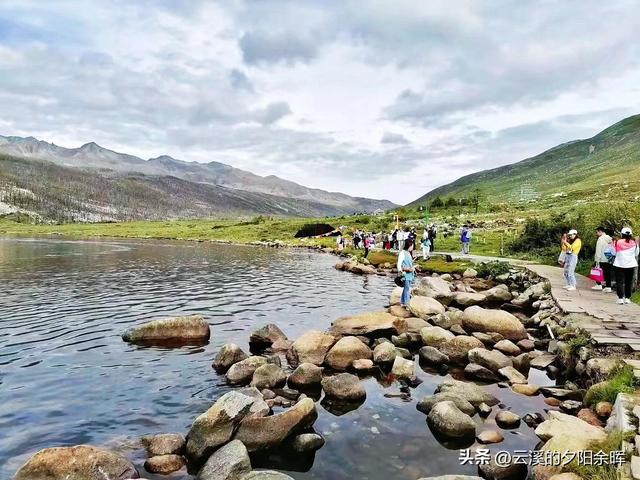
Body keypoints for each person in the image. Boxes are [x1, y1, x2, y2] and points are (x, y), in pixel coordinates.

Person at [612, 227, 638, 304]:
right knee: (628, 282)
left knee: (619, 281)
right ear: (631, 234)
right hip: (630, 265)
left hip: (619, 265)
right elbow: (636, 254)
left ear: (622, 234)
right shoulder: (634, 243)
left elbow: (613, 253)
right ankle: (627, 298)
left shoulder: (618, 242)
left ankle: (620, 298)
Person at [592, 226, 613, 292]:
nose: (596, 234)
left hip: (601, 258)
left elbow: (598, 250)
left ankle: (598, 285)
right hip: (609, 258)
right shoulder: (610, 238)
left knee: (597, 271)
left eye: (597, 232)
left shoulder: (600, 239)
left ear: (600, 231)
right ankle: (608, 287)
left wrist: (597, 260)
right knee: (607, 273)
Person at [397, 240, 415, 307]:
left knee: (406, 288)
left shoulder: (408, 253)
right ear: (409, 245)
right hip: (405, 274)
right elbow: (399, 264)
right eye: (412, 245)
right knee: (407, 288)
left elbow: (410, 263)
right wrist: (401, 272)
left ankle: (402, 302)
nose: (413, 247)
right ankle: (407, 303)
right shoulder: (402, 253)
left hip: (410, 273)